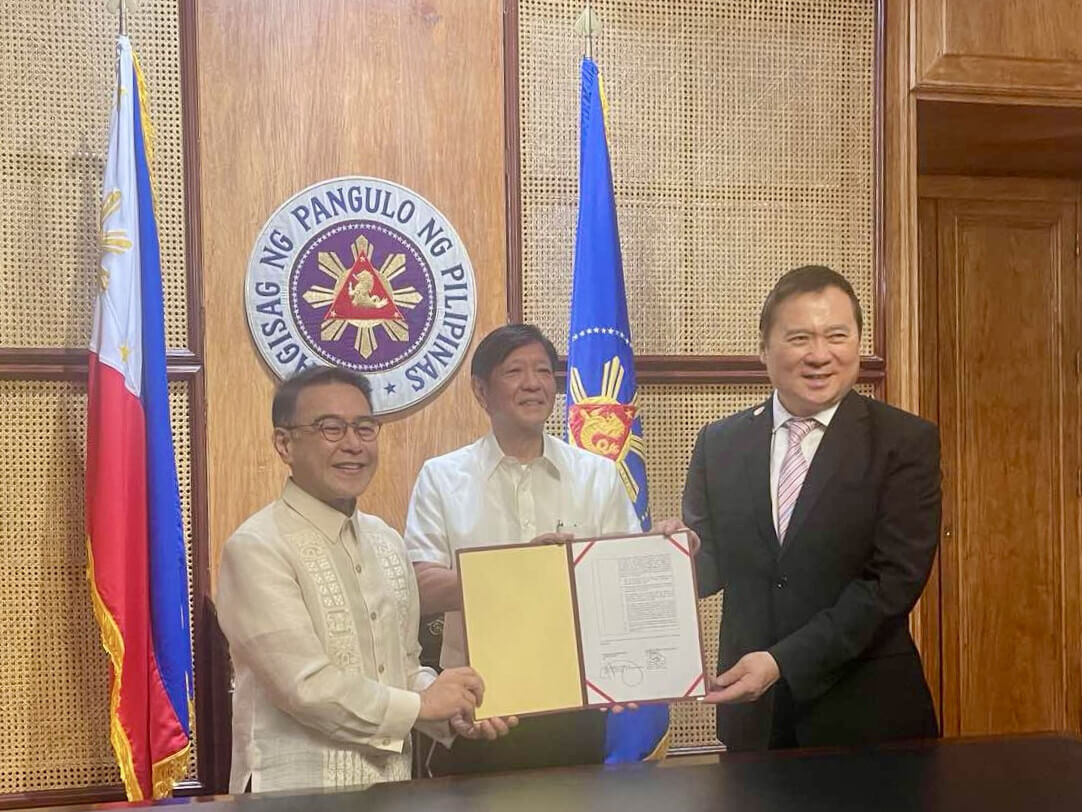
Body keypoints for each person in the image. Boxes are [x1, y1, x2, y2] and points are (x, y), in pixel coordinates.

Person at [215, 366, 514, 793]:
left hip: (391, 788)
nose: (353, 444)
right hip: (291, 792)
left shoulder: (387, 542)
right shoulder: (257, 547)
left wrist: (454, 709)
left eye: (364, 427)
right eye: (331, 428)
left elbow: (404, 667)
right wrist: (423, 705)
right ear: (284, 443)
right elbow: (304, 687)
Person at [683, 265, 941, 751]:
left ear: (858, 343)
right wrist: (672, 556)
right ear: (764, 349)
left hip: (869, 720)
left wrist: (781, 662)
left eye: (837, 336)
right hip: (754, 723)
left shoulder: (904, 442)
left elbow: (892, 584)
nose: (820, 355)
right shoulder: (719, 443)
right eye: (799, 337)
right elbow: (708, 568)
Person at [404, 324, 658, 774]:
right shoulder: (442, 477)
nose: (533, 383)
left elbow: (625, 579)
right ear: (481, 391)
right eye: (514, 371)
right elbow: (421, 587)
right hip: (479, 705)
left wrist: (664, 552)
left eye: (543, 371)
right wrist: (524, 571)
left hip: (574, 700)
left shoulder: (596, 474)